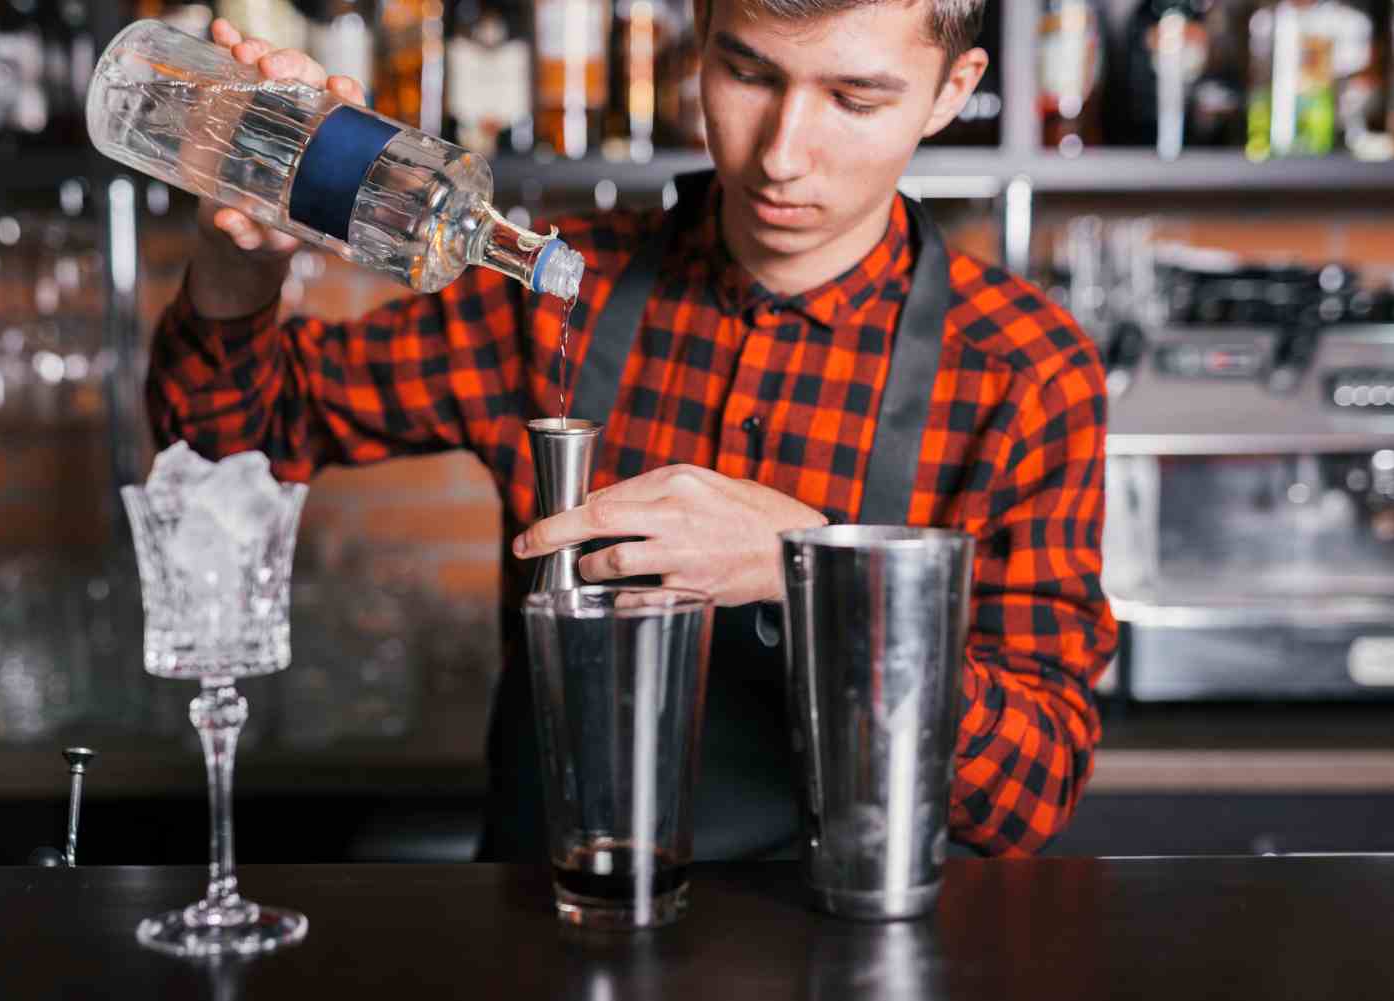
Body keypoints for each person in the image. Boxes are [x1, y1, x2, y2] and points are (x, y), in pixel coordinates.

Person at [148, 0, 1118, 860]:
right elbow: (221, 452)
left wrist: (812, 569)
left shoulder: (1021, 372)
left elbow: (1028, 791)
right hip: (549, 925)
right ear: (699, 37)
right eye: (748, 73)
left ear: (953, 90)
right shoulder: (556, 290)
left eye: (855, 100)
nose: (781, 152)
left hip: (850, 942)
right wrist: (242, 254)